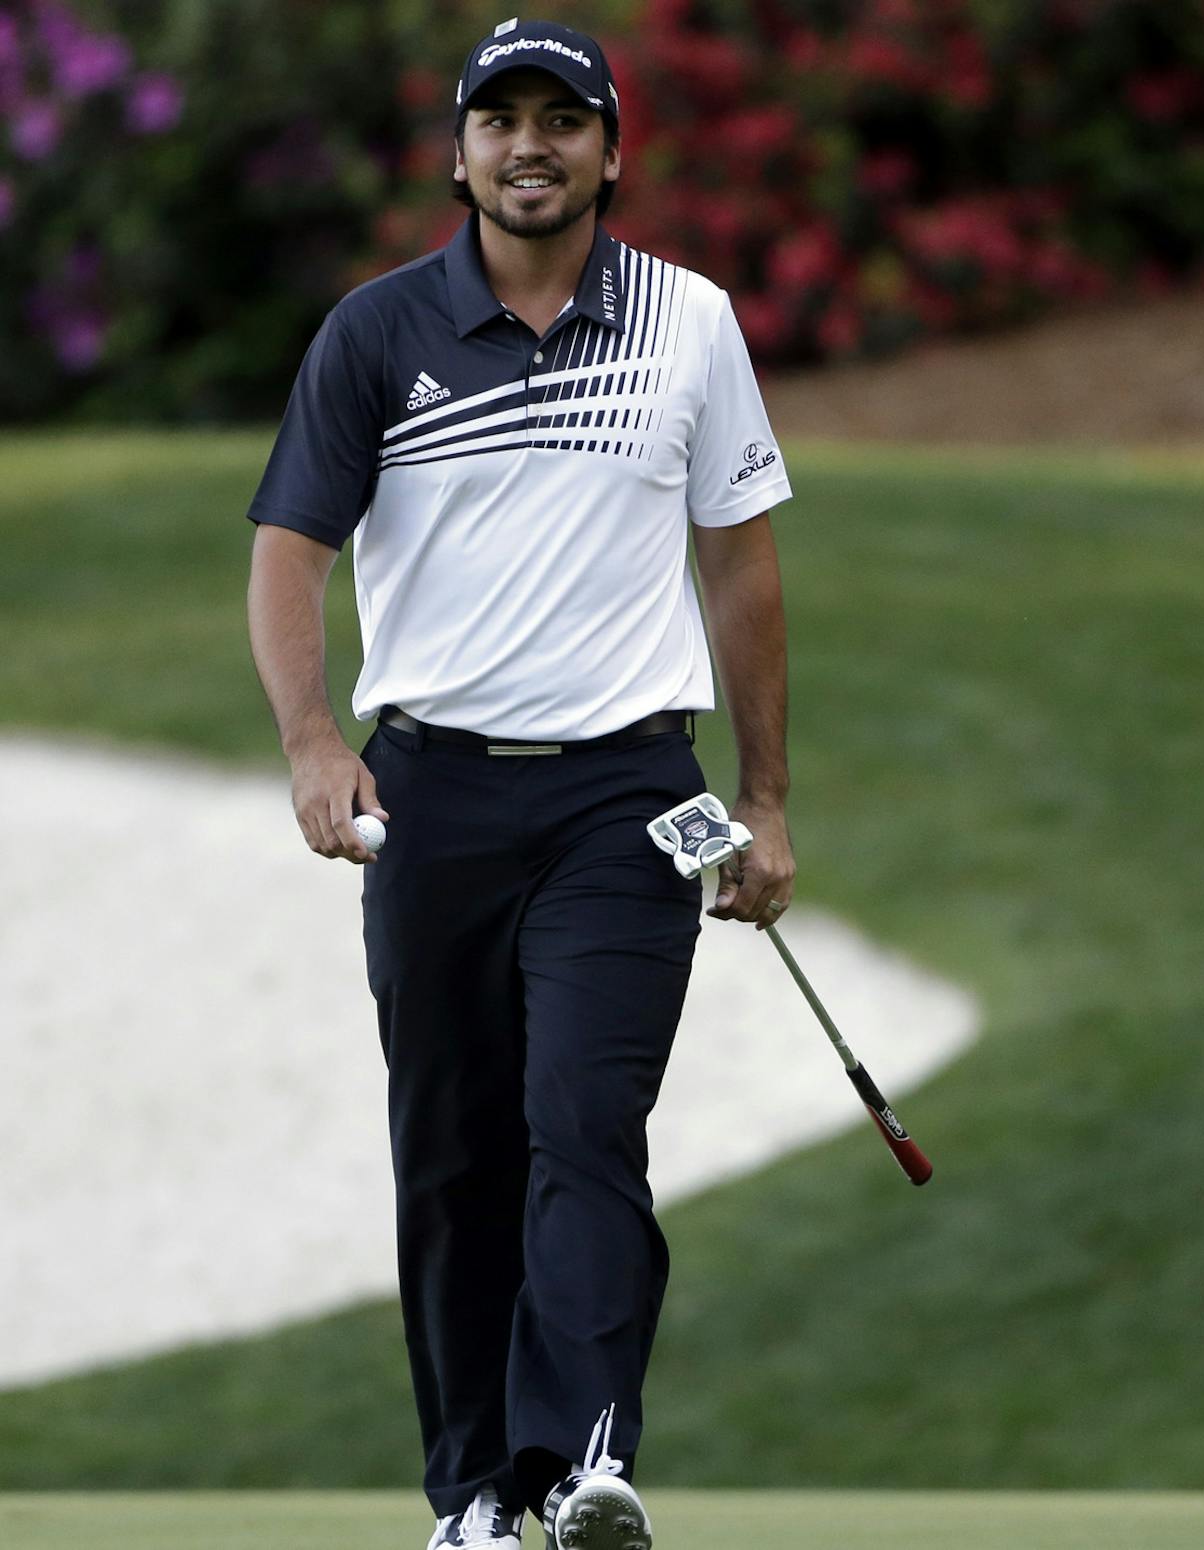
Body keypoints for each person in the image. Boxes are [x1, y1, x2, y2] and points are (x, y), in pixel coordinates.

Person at [245, 20, 794, 1550]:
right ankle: (476, 1493)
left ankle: (582, 1461)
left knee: (584, 1120)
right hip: (432, 796)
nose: (530, 146)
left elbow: (742, 570)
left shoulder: (691, 324)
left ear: (611, 151)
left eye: (563, 119)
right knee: (454, 1150)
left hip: (629, 797)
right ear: (462, 151)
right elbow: (288, 551)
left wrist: (765, 799)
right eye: (503, 121)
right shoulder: (376, 332)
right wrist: (313, 740)